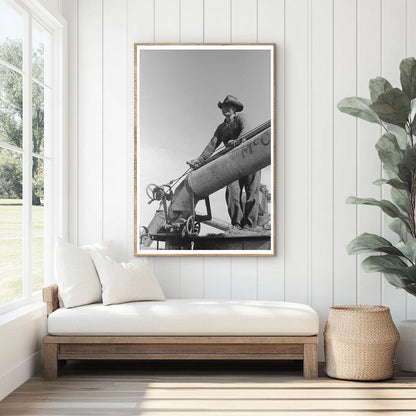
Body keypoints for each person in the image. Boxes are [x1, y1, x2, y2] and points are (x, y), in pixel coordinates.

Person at [187, 95, 261, 231]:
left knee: (252, 193)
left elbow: (247, 130)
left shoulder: (241, 118)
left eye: (229, 106)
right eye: (223, 107)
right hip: (233, 164)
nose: (226, 108)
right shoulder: (221, 128)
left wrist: (238, 140)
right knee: (232, 192)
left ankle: (250, 226)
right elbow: (212, 145)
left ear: (234, 108)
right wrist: (199, 161)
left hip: (250, 157)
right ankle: (237, 225)